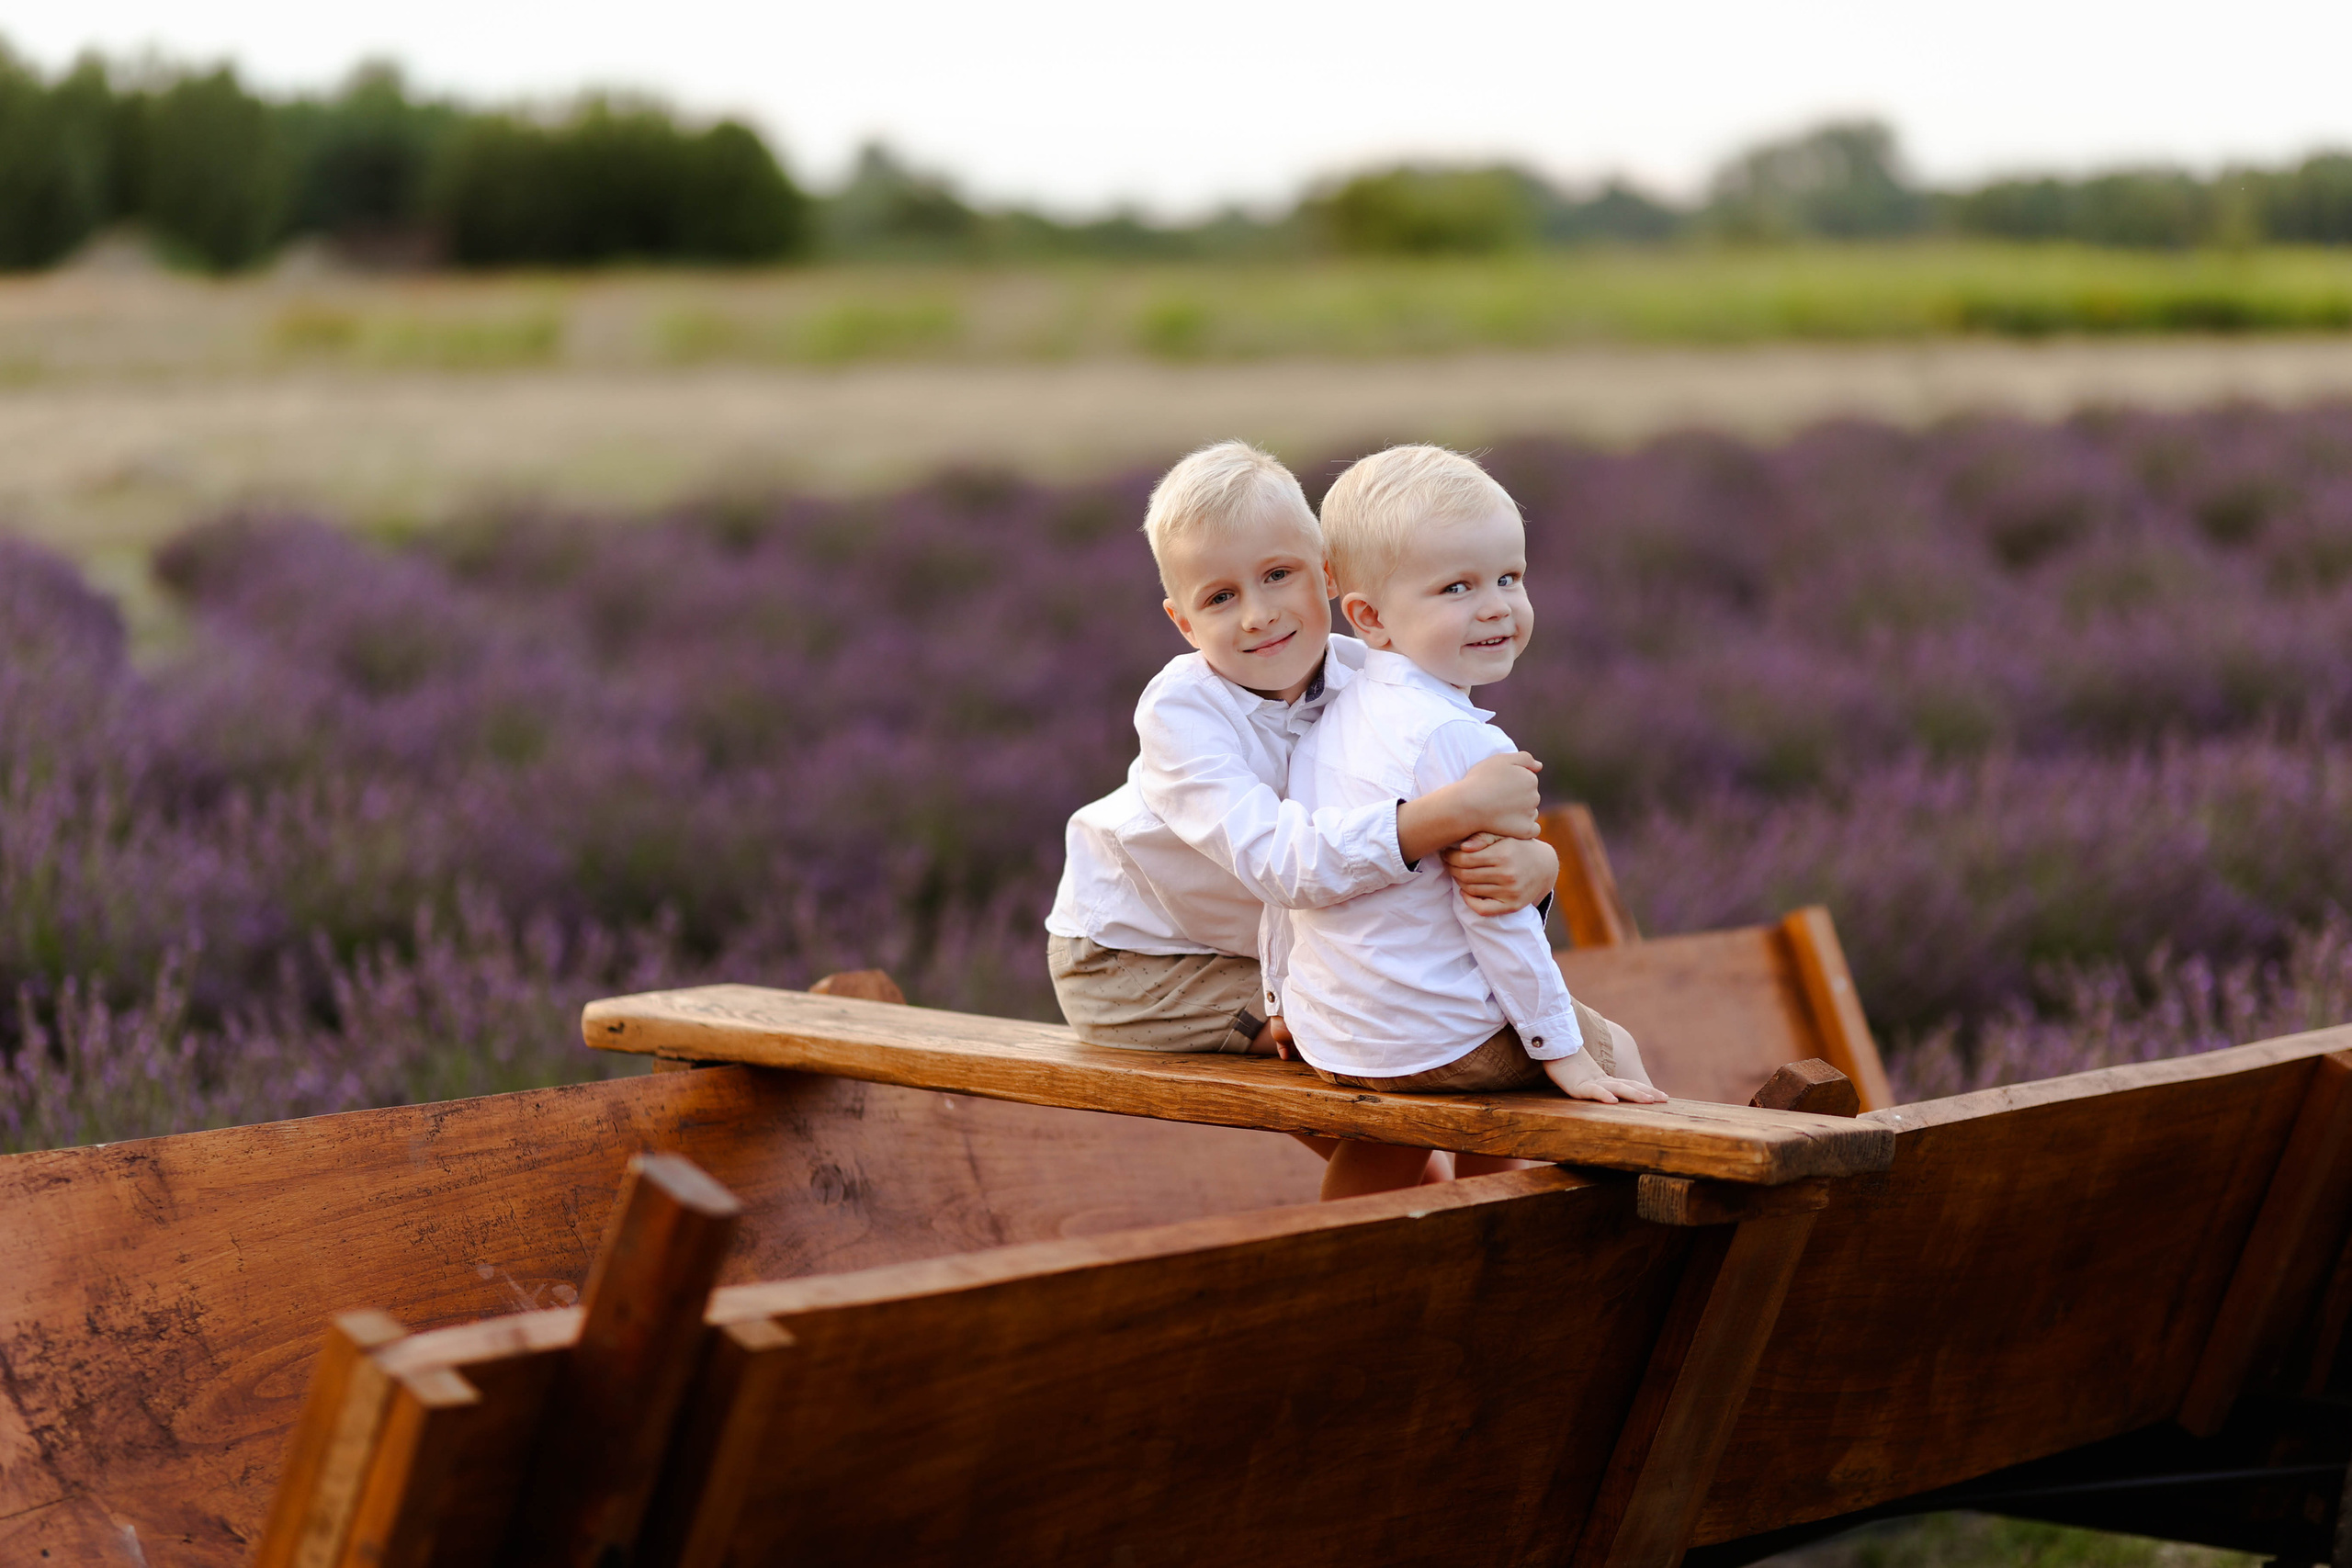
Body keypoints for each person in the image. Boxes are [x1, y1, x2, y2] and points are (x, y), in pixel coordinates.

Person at [1045, 441, 1561, 1176]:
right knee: (1377, 1090)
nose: (1257, 614)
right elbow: (1281, 862)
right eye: (1220, 597)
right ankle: (1406, 1235)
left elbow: (1460, 812)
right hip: (1137, 962)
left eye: (1278, 575)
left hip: (1277, 939)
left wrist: (1536, 866)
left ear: (1325, 574)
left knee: (1464, 1061)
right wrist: (1444, 815)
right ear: (1183, 622)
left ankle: (1484, 1229)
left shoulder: (1368, 672)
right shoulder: (1182, 712)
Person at [1281, 445, 1666, 1201]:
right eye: (1456, 587)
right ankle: (1511, 1223)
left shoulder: (1331, 713)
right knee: (1613, 1048)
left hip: (1339, 1026)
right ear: (1368, 617)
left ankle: (1347, 1241)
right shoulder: (1465, 744)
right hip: (1425, 1037)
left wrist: (1279, 1003)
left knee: (1393, 1132)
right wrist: (1565, 1050)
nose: (1495, 606)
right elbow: (1496, 912)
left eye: (1509, 577)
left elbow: (1288, 874)